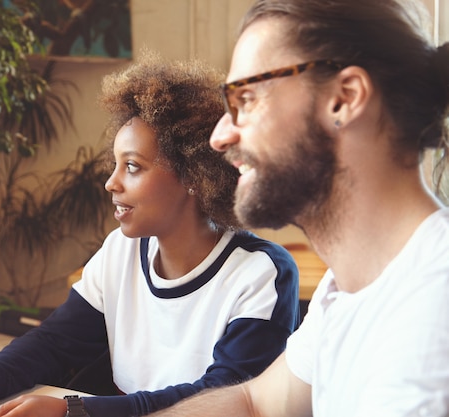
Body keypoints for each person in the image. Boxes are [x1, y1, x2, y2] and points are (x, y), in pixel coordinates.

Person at [0, 51, 300, 417]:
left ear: (193, 176)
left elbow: (223, 396)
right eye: (115, 165)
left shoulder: (261, 274)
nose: (110, 183)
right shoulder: (121, 249)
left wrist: (77, 410)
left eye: (133, 167)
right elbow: (55, 342)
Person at [145, 1, 449, 417]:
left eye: (246, 98)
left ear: (344, 99)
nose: (220, 135)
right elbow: (254, 403)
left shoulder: (432, 317)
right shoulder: (350, 289)